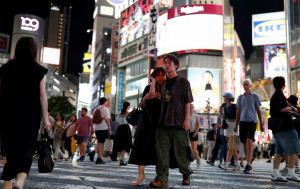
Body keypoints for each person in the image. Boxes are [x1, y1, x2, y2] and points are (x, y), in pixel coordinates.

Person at [0, 37, 50, 189]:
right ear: (34, 50)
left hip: (8, 114)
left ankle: (7, 184)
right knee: (27, 149)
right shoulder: (38, 70)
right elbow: (42, 95)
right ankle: (19, 183)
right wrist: (46, 119)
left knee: (10, 151)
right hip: (30, 116)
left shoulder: (5, 68)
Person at [150, 54, 193, 187]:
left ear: (175, 65)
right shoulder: (161, 84)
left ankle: (186, 174)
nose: (166, 65)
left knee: (181, 151)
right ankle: (162, 179)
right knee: (161, 152)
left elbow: (187, 102)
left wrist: (187, 119)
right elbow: (153, 95)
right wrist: (153, 84)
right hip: (162, 122)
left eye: (168, 62)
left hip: (179, 122)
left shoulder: (184, 82)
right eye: (165, 62)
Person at [128, 67, 167, 186]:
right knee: (141, 146)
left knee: (159, 150)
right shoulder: (148, 88)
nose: (160, 77)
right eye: (157, 75)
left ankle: (161, 177)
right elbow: (141, 105)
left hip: (159, 123)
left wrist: (162, 99)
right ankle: (141, 175)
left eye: (162, 75)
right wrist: (146, 97)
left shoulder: (167, 88)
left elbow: (170, 105)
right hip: (145, 121)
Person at [270, 76, 300, 182]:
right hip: (284, 127)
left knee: (279, 151)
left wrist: (288, 110)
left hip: (277, 128)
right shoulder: (279, 95)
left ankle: (275, 173)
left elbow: (278, 109)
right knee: (294, 149)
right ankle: (291, 173)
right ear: (284, 84)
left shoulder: (275, 95)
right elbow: (280, 109)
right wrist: (292, 108)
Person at [234, 79, 263, 174]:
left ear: (250, 86)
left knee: (250, 140)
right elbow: (238, 113)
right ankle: (248, 162)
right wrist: (236, 125)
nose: (245, 86)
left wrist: (261, 123)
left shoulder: (255, 97)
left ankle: (249, 163)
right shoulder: (240, 98)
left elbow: (258, 111)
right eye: (244, 85)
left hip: (252, 122)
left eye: (247, 84)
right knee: (245, 142)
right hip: (242, 122)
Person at [91, 97, 111, 164]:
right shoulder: (105, 109)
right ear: (105, 102)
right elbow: (107, 120)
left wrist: (92, 128)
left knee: (99, 142)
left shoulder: (95, 109)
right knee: (101, 143)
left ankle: (97, 156)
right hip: (103, 127)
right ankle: (99, 158)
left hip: (96, 127)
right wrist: (109, 128)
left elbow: (93, 119)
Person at [286, 95, 300, 174]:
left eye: (288, 101)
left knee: (292, 151)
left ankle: (295, 167)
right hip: (298, 132)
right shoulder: (299, 109)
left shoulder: (291, 110)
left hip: (293, 132)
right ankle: (295, 167)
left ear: (290, 102)